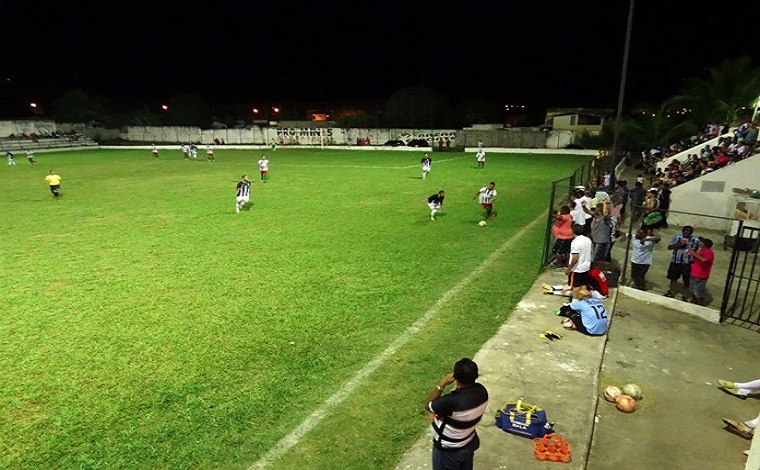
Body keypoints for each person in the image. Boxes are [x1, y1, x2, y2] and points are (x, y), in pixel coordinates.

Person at [424, 358, 488, 470]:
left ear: (455, 378)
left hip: (449, 451)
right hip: (468, 443)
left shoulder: (452, 401)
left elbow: (428, 405)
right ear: (476, 376)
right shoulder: (482, 391)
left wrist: (442, 384)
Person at [664, 225, 700, 298]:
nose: (686, 234)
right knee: (673, 278)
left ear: (691, 233)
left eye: (688, 233)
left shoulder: (695, 240)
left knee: (687, 279)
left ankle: (685, 295)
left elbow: (696, 250)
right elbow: (669, 247)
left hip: (687, 263)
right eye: (685, 233)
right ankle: (672, 291)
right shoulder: (677, 237)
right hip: (676, 261)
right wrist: (679, 244)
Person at [543, 267, 609, 300]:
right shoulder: (595, 270)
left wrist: (568, 288)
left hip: (600, 294)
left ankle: (553, 292)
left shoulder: (589, 275)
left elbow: (581, 287)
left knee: (577, 291)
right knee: (574, 285)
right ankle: (553, 288)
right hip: (598, 289)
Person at [565, 224, 593, 298]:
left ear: (572, 231)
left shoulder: (575, 242)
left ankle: (575, 303)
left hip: (578, 268)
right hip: (586, 266)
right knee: (583, 285)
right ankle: (583, 300)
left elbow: (575, 257)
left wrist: (569, 268)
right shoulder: (588, 239)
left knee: (575, 286)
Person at [684, 237, 714, 305]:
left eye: (701, 242)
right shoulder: (700, 251)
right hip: (694, 273)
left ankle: (700, 303)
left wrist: (694, 253)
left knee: (698, 291)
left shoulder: (708, 252)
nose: (699, 243)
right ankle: (694, 301)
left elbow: (704, 259)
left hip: (701, 274)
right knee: (693, 289)